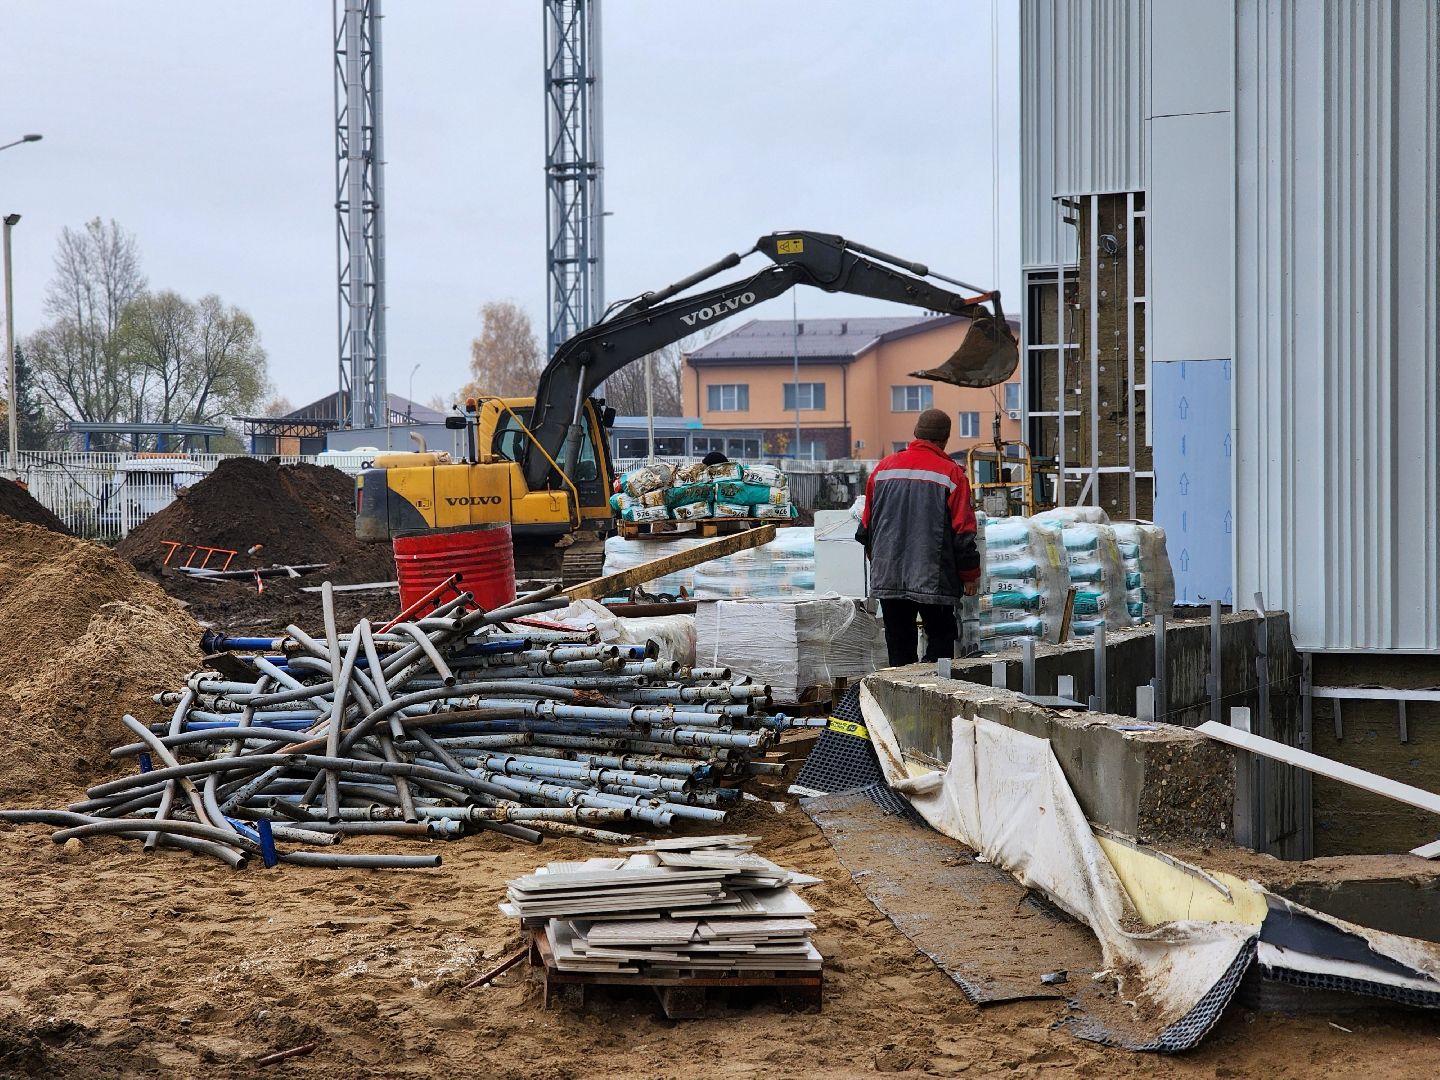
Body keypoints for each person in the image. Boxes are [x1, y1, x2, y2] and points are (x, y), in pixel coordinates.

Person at [856, 408, 981, 666]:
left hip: (888, 575)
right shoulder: (951, 474)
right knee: (941, 641)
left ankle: (901, 700)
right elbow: (964, 533)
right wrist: (969, 575)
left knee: (899, 646)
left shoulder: (883, 469)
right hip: (933, 579)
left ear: (915, 434)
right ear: (945, 439)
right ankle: (932, 697)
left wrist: (880, 562)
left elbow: (866, 527)